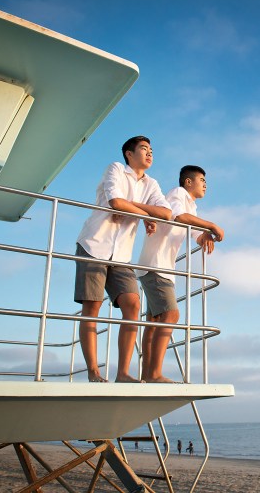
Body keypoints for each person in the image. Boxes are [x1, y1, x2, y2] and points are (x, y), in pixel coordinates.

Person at [75, 136, 171, 383]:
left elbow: (166, 213)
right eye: (143, 149)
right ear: (129, 153)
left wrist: (137, 209)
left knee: (133, 305)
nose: (149, 153)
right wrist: (145, 214)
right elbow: (116, 203)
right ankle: (93, 372)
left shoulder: (151, 183)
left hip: (121, 256)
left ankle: (122, 373)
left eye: (151, 150)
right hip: (94, 244)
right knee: (92, 308)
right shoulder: (116, 168)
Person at [137, 165, 224, 383]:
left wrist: (204, 235)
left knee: (155, 319)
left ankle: (148, 374)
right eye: (202, 180)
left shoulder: (190, 206)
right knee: (171, 315)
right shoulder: (178, 194)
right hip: (157, 265)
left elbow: (191, 227)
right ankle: (154, 373)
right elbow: (178, 217)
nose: (205, 184)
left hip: (158, 265)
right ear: (188, 182)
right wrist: (211, 225)